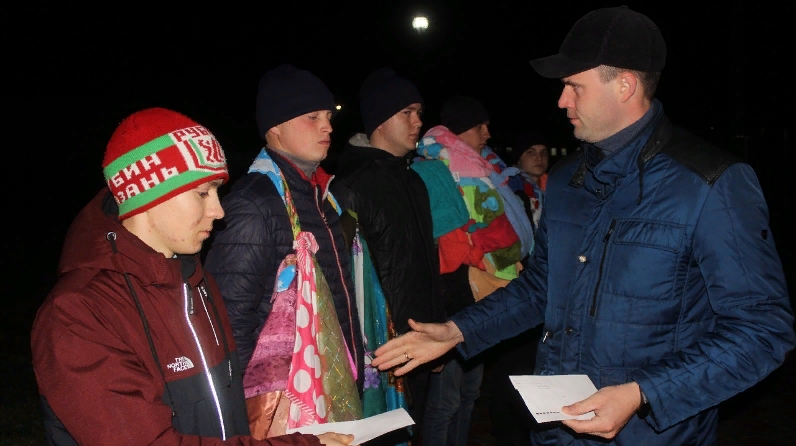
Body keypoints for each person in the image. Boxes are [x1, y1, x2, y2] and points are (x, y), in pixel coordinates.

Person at [372, 6, 795, 446]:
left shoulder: (710, 183)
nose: (562, 101)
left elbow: (763, 330)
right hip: (558, 431)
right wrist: (459, 331)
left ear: (625, 85)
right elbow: (540, 288)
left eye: (575, 86)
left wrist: (643, 393)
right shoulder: (567, 180)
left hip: (651, 435)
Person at [30, 107, 355, 446]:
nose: (218, 210)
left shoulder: (198, 283)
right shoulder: (78, 314)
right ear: (149, 195)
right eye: (202, 193)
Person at [204, 65, 364, 437]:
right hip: (288, 405)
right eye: (313, 117)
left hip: (329, 386)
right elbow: (230, 324)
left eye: (328, 117)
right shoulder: (255, 203)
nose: (327, 127)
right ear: (275, 126)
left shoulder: (319, 197)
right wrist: (242, 419)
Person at [331, 68, 446, 442]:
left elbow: (426, 264)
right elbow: (345, 276)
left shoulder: (414, 180)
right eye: (407, 113)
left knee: (415, 432)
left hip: (420, 341)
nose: (418, 122)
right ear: (380, 119)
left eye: (419, 112)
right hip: (380, 351)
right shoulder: (352, 184)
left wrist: (436, 330)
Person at [413, 95, 533, 446]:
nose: (487, 133)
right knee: (446, 400)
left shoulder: (480, 168)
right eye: (480, 126)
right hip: (452, 297)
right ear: (462, 129)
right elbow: (447, 244)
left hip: (479, 294)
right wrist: (482, 254)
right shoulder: (436, 170)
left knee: (468, 394)